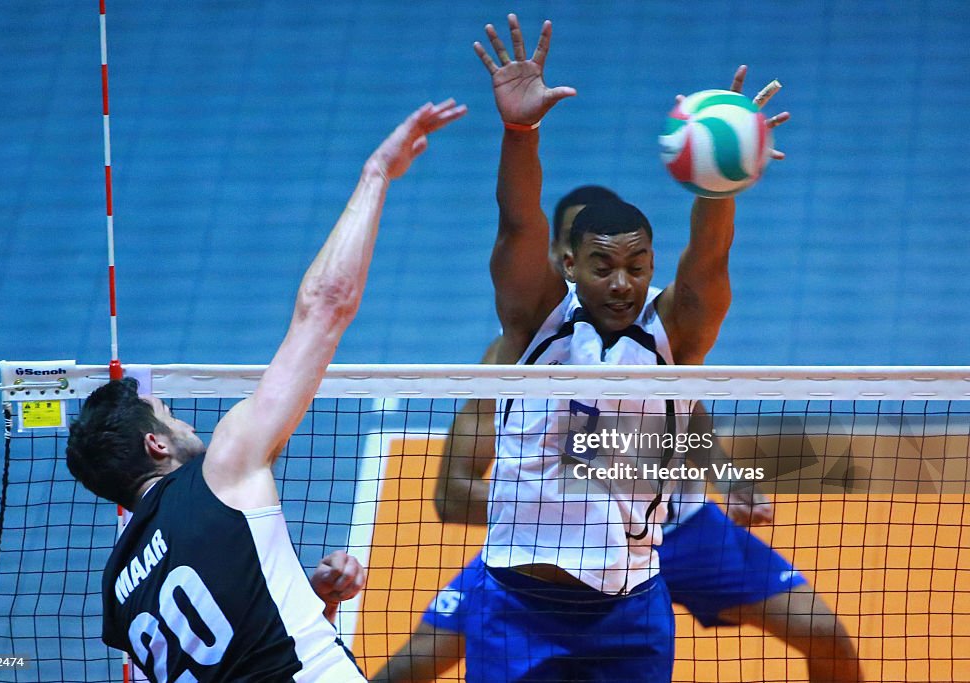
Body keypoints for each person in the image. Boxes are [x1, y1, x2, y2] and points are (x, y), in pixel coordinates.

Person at [65, 99, 466, 683]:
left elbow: (228, 651)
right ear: (156, 445)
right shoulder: (219, 471)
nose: (183, 425)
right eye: (169, 416)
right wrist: (377, 172)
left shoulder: (117, 599)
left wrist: (312, 595)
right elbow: (324, 307)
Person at [461, 14, 790, 683]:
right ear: (570, 265)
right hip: (516, 607)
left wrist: (719, 187)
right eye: (602, 265)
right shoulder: (535, 323)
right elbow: (518, 221)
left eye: (637, 266)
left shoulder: (672, 338)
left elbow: (710, 258)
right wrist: (520, 132)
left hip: (629, 607)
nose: (622, 281)